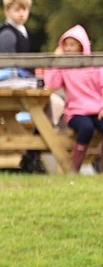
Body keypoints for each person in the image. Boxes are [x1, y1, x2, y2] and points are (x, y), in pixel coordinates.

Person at [43, 25, 103, 173]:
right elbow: (51, 84)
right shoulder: (64, 67)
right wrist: (56, 61)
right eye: (66, 45)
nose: (68, 49)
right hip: (76, 111)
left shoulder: (94, 66)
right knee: (86, 128)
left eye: (72, 45)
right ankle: (75, 168)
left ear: (81, 46)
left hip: (98, 109)